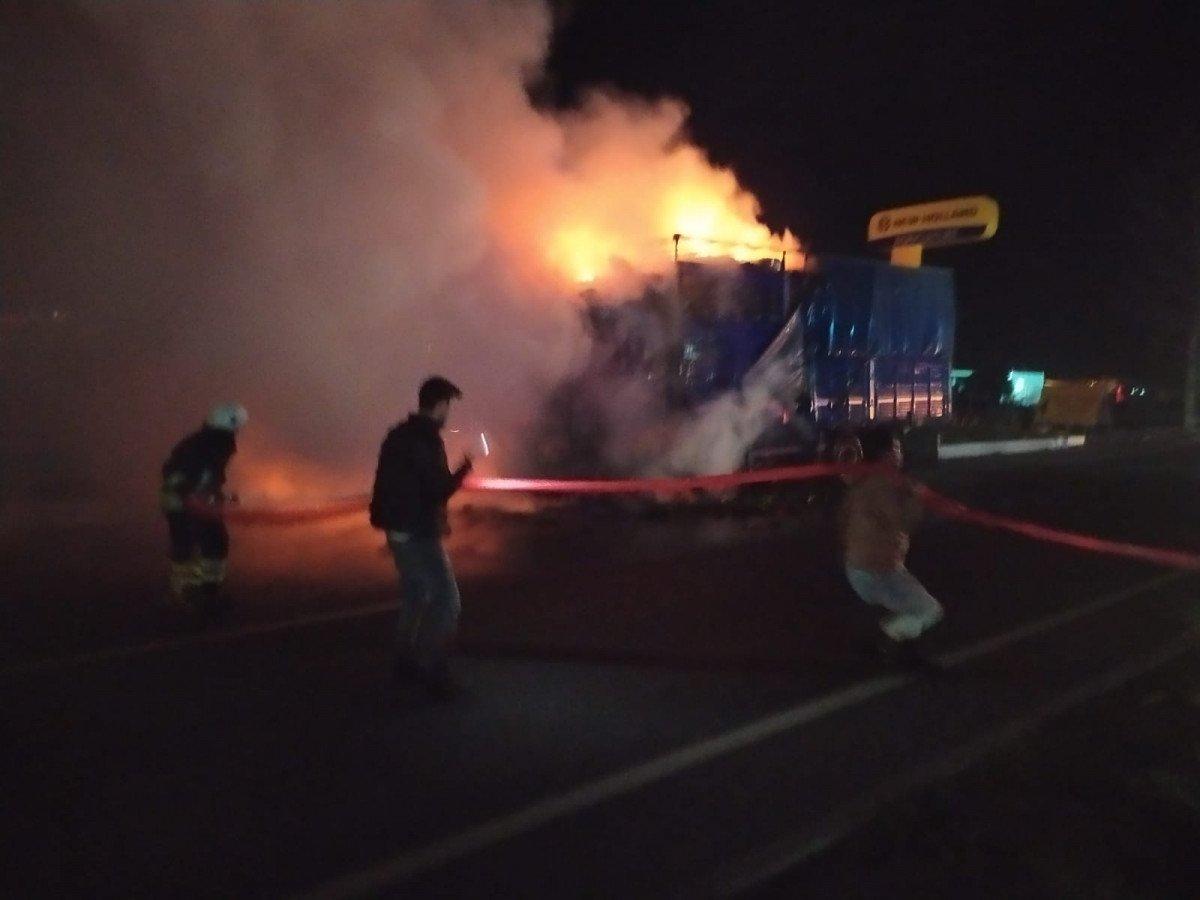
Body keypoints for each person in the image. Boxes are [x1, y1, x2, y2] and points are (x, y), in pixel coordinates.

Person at [370, 376, 473, 698]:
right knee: (447, 600)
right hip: (418, 531)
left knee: (416, 596)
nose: (448, 414)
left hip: (397, 529)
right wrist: (463, 472)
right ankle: (435, 673)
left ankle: (404, 664)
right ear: (440, 405)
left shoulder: (397, 435)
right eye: (448, 406)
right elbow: (438, 490)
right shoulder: (426, 441)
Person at [839, 424, 943, 663]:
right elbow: (903, 521)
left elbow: (843, 522)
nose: (900, 453)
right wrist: (917, 497)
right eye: (896, 448)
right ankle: (885, 639)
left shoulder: (862, 482)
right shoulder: (881, 485)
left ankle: (906, 650)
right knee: (929, 610)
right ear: (886, 455)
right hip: (877, 571)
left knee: (910, 605)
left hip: (860, 566)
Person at [160, 403, 248, 612]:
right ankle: (187, 597)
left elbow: (206, 478)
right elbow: (189, 477)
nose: (238, 432)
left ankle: (205, 594)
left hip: (193, 503)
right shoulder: (207, 446)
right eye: (237, 427)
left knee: (214, 542)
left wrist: (221, 496)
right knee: (188, 549)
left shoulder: (207, 442)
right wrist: (194, 497)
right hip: (185, 505)